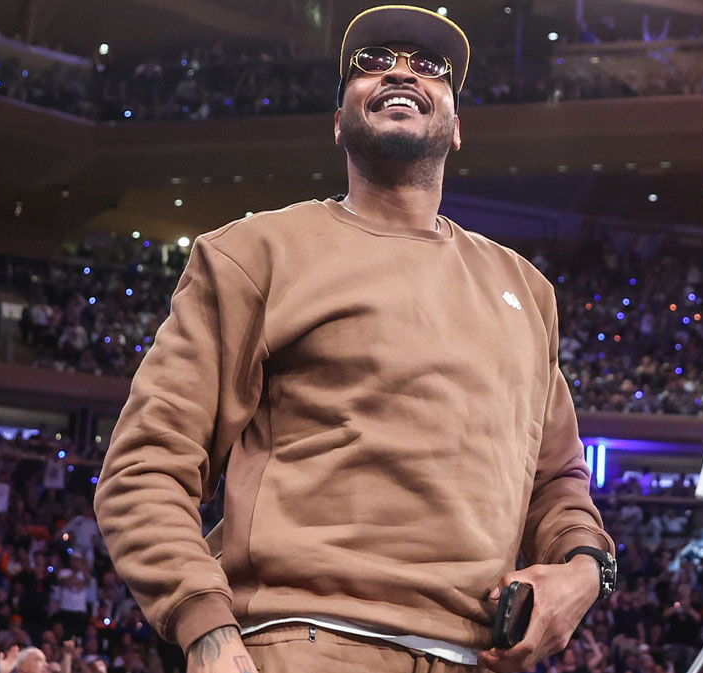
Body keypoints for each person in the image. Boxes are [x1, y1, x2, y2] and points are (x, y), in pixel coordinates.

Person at [93, 6, 614, 673]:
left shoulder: (526, 290)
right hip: (302, 639)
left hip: (474, 655)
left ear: (457, 127)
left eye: (430, 67)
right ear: (338, 121)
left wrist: (584, 571)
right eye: (371, 63)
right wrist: (209, 635)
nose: (400, 71)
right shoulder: (255, 254)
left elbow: (559, 481)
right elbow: (143, 468)